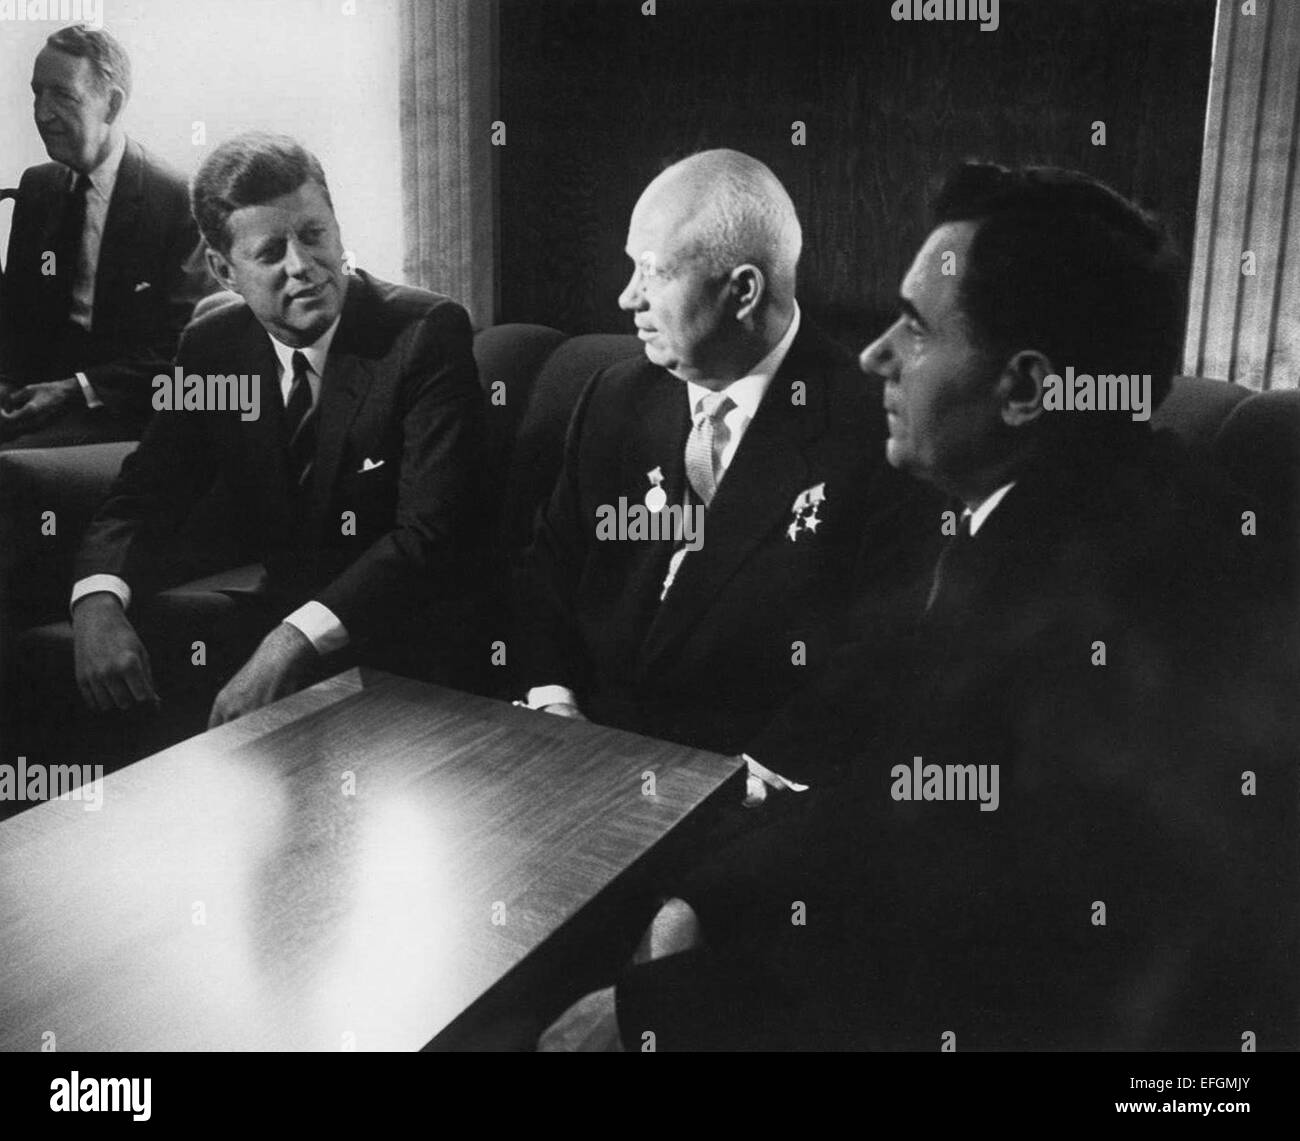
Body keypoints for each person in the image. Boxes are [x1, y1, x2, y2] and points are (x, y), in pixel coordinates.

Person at [544, 163, 1298, 1051]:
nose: (874, 357)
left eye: (914, 328)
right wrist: (701, 896)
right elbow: (879, 796)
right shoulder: (1043, 515)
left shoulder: (1113, 605)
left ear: (1024, 388)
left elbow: (973, 971)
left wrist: (653, 1015)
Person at [514, 148, 936, 794]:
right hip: (577, 756)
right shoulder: (613, 397)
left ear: (742, 291)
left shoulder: (880, 432)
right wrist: (554, 701)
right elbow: (549, 569)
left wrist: (755, 777)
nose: (627, 297)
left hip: (744, 790)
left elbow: (880, 657)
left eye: (653, 274)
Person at [65, 132, 486, 748]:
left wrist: (288, 644)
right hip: (276, 613)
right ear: (222, 269)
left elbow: (429, 537)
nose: (302, 266)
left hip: (407, 633)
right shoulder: (214, 346)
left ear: (338, 229)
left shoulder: (425, 334)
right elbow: (146, 491)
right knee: (63, 666)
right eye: (270, 251)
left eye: (314, 235)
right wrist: (96, 602)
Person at [0, 24, 208, 448]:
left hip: (127, 411)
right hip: (37, 396)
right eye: (37, 92)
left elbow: (184, 350)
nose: (42, 113)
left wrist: (74, 389)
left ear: (111, 105)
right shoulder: (38, 186)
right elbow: (17, 315)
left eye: (63, 95)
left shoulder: (176, 201)